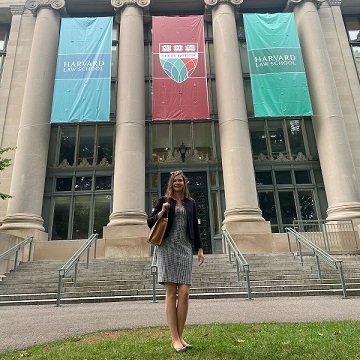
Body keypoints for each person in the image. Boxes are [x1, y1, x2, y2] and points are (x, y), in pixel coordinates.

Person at [147, 170, 204, 353]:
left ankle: (180, 336)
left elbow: (195, 226)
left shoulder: (191, 203)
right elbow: (149, 222)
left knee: (185, 293)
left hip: (185, 248)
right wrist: (162, 211)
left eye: (180, 180)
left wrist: (200, 249)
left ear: (184, 183)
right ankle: (175, 338)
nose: (178, 183)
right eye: (175, 180)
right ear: (171, 183)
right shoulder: (165, 201)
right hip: (168, 248)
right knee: (171, 293)